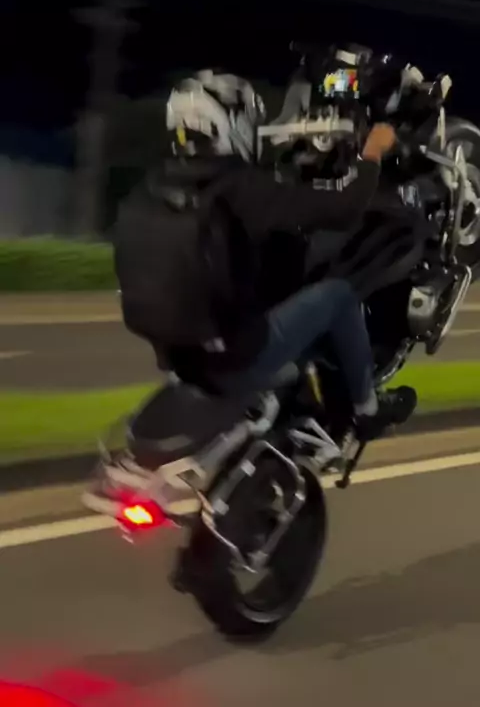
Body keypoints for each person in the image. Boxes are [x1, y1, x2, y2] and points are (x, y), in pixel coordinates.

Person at [86, 70, 416, 513]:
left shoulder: (154, 186)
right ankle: (367, 408)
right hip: (237, 355)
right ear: (230, 124)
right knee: (337, 295)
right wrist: (372, 152)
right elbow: (343, 209)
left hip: (180, 356)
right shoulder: (236, 186)